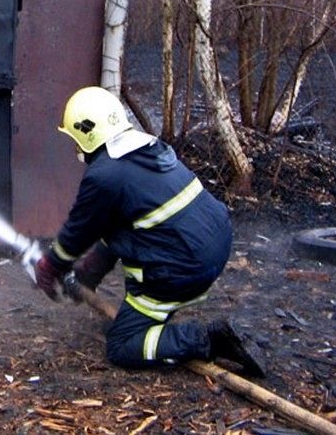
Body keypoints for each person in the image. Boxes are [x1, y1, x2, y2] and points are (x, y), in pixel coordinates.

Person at [34, 86, 266, 377]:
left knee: (122, 344)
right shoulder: (146, 148)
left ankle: (206, 339)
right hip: (215, 242)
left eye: (75, 139)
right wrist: (87, 275)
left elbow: (76, 234)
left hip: (183, 267)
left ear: (86, 134)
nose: (75, 148)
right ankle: (117, 295)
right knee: (125, 225)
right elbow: (115, 226)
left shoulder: (104, 175)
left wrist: (51, 265)